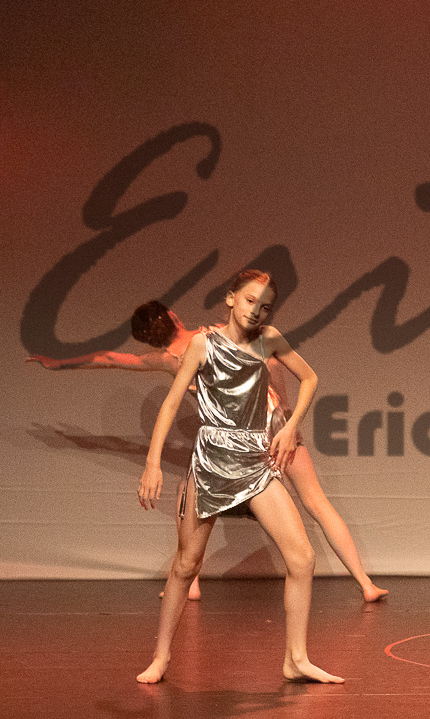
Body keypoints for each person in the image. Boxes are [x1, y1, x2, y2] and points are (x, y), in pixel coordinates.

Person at [28, 301, 387, 603]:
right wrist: (284, 410)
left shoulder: (169, 359)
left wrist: (57, 362)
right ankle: (365, 584)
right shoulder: (216, 335)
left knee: (189, 500)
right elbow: (273, 363)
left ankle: (190, 580)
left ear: (149, 337)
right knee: (316, 502)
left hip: (234, 440)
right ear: (174, 317)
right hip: (270, 423)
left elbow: (109, 357)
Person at [135, 270, 343, 684]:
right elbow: (172, 403)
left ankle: (296, 659)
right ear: (230, 298)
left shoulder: (269, 339)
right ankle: (161, 657)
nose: (256, 311)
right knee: (186, 564)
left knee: (302, 558)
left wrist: (290, 426)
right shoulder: (202, 344)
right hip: (212, 460)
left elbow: (310, 378)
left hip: (254, 458)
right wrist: (152, 463)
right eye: (250, 301)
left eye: (265, 306)